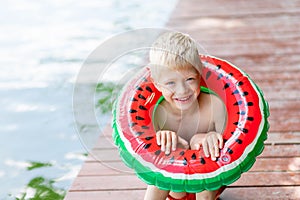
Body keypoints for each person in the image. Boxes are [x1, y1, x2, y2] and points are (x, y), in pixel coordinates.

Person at [143, 31, 227, 200]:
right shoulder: (157, 114)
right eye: (170, 83)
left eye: (189, 79)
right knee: (171, 147)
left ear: (199, 73)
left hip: (210, 185)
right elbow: (148, 155)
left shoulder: (215, 106)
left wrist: (213, 136)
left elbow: (231, 147)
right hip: (175, 188)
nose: (182, 91)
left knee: (200, 143)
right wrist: (159, 138)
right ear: (157, 84)